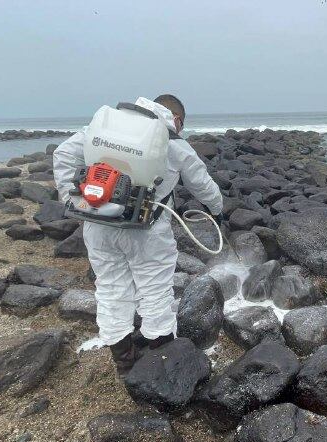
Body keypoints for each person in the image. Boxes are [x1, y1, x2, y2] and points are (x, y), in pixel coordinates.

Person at [53, 95, 223, 374]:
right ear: (176, 119)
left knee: (110, 288)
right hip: (146, 231)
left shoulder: (104, 129)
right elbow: (203, 184)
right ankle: (161, 360)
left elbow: (62, 154)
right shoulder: (172, 142)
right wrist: (217, 210)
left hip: (98, 222)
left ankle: (124, 362)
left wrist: (71, 198)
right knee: (155, 291)